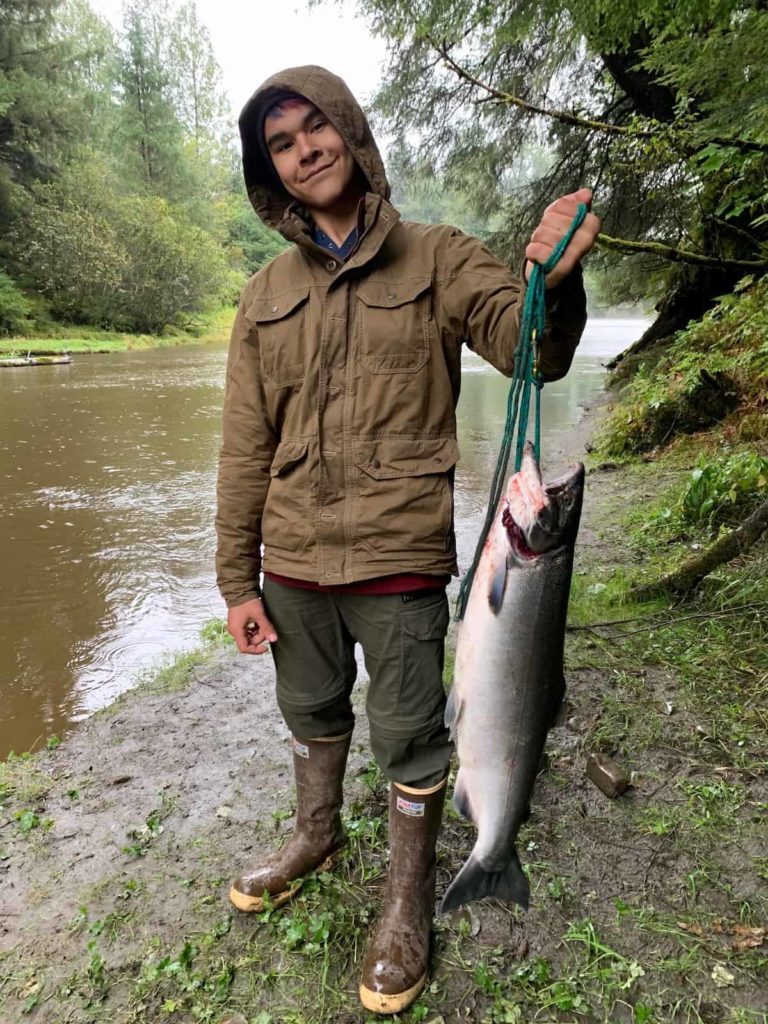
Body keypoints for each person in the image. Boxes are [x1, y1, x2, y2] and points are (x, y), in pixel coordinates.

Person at [216, 65, 600, 1015]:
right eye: (282, 143)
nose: (305, 149)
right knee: (310, 709)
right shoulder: (264, 293)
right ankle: (315, 834)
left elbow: (531, 351)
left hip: (397, 568)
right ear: (271, 173)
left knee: (409, 736)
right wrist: (237, 580)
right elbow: (242, 448)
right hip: (292, 565)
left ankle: (406, 898)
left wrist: (558, 279)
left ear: (349, 132)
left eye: (316, 128)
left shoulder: (437, 257)